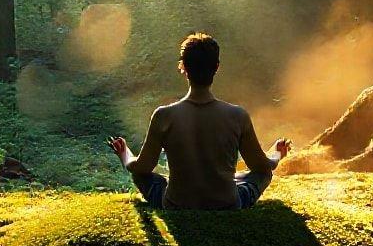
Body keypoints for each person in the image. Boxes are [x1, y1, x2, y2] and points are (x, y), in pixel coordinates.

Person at [106, 32, 291, 210]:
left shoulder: (164, 116)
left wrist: (125, 155)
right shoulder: (237, 116)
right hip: (227, 204)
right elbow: (261, 166)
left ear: (183, 67)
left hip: (176, 205)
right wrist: (276, 154)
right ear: (216, 67)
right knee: (262, 175)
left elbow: (142, 167)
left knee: (141, 175)